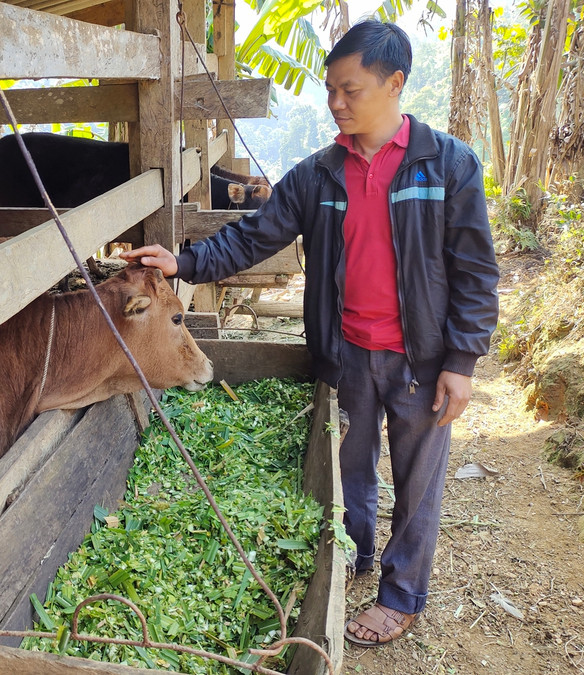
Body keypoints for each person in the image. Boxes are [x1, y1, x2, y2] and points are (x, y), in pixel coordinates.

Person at [122, 19, 499, 647]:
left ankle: (401, 597)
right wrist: (183, 263)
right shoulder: (320, 174)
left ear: (395, 83)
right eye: (330, 89)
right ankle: (348, 559)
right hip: (346, 354)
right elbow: (252, 236)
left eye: (350, 90)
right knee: (347, 471)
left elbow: (476, 273)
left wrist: (461, 360)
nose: (336, 102)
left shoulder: (448, 166)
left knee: (419, 483)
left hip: (421, 360)